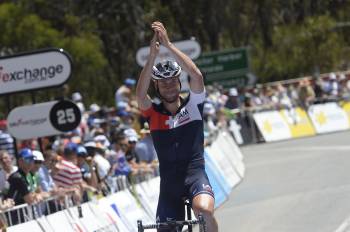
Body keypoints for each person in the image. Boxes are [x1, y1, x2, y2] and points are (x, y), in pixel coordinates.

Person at [136, 21, 218, 232]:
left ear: (179, 83)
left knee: (204, 211)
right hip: (169, 185)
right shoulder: (152, 112)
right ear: (157, 86)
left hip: (195, 175)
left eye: (173, 81)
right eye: (163, 83)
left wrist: (169, 45)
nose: (169, 86)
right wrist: (152, 55)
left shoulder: (193, 105)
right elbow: (139, 94)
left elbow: (197, 76)